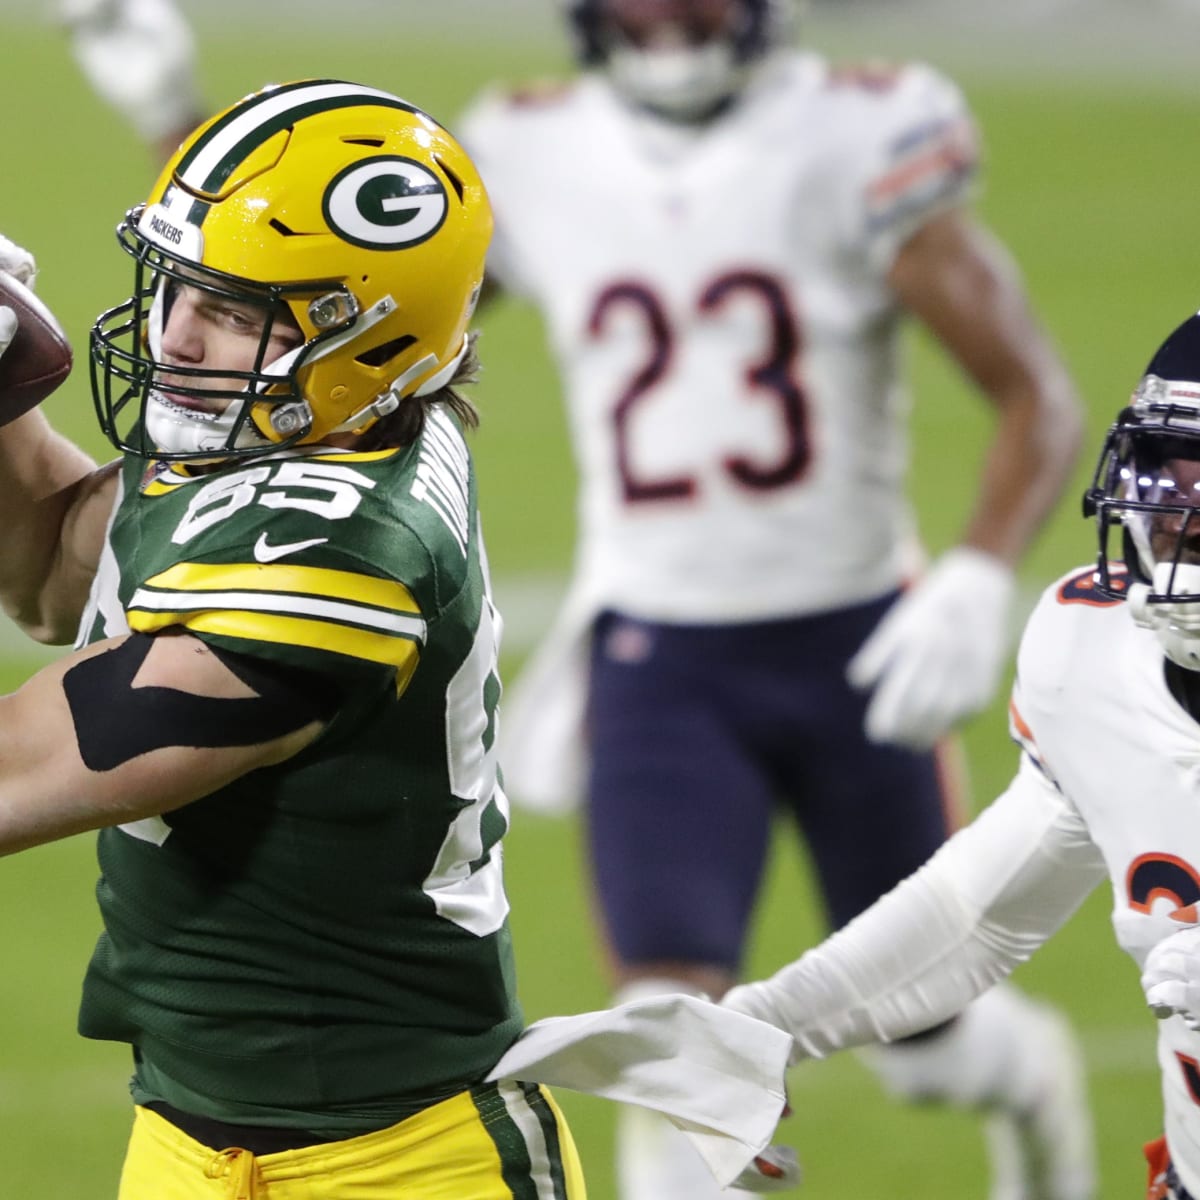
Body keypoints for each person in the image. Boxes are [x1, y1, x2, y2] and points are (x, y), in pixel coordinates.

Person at [59, 2, 1095, 1197]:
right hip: (663, 661)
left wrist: (971, 570)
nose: (663, 19)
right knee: (665, 1048)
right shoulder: (536, 148)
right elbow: (316, 296)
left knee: (935, 1051)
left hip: (858, 641)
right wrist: (172, 121)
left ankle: (1038, 1096)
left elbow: (1037, 391)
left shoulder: (859, 129)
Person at [0, 79, 584, 1200]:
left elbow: (31, 765)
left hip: (400, 1161)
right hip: (180, 1136)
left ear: (373, 332)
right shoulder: (305, 423)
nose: (174, 335)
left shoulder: (344, 547)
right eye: (176, 286)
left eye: (230, 311)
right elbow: (56, 579)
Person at [719, 307, 1200, 1200]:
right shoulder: (1093, 655)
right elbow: (980, 913)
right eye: (1173, 482)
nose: (1183, 523)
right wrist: (765, 1026)